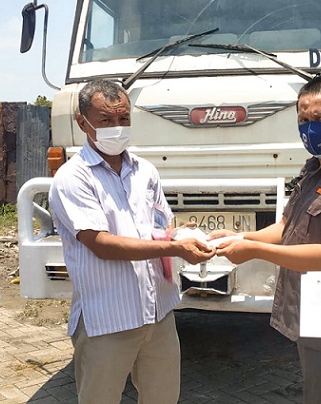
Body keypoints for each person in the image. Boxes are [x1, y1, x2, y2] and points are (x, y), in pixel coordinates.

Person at [212, 76, 321, 403]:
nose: (311, 128)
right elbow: (287, 226)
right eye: (304, 120)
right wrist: (240, 236)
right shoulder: (315, 169)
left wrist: (254, 250)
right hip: (313, 311)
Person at [48, 79, 216, 403]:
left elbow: (159, 225)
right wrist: (173, 247)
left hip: (158, 313)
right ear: (82, 122)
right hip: (107, 320)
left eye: (123, 118)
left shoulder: (145, 171)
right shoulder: (73, 177)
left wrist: (180, 234)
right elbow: (101, 243)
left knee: (162, 397)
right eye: (105, 120)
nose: (117, 127)